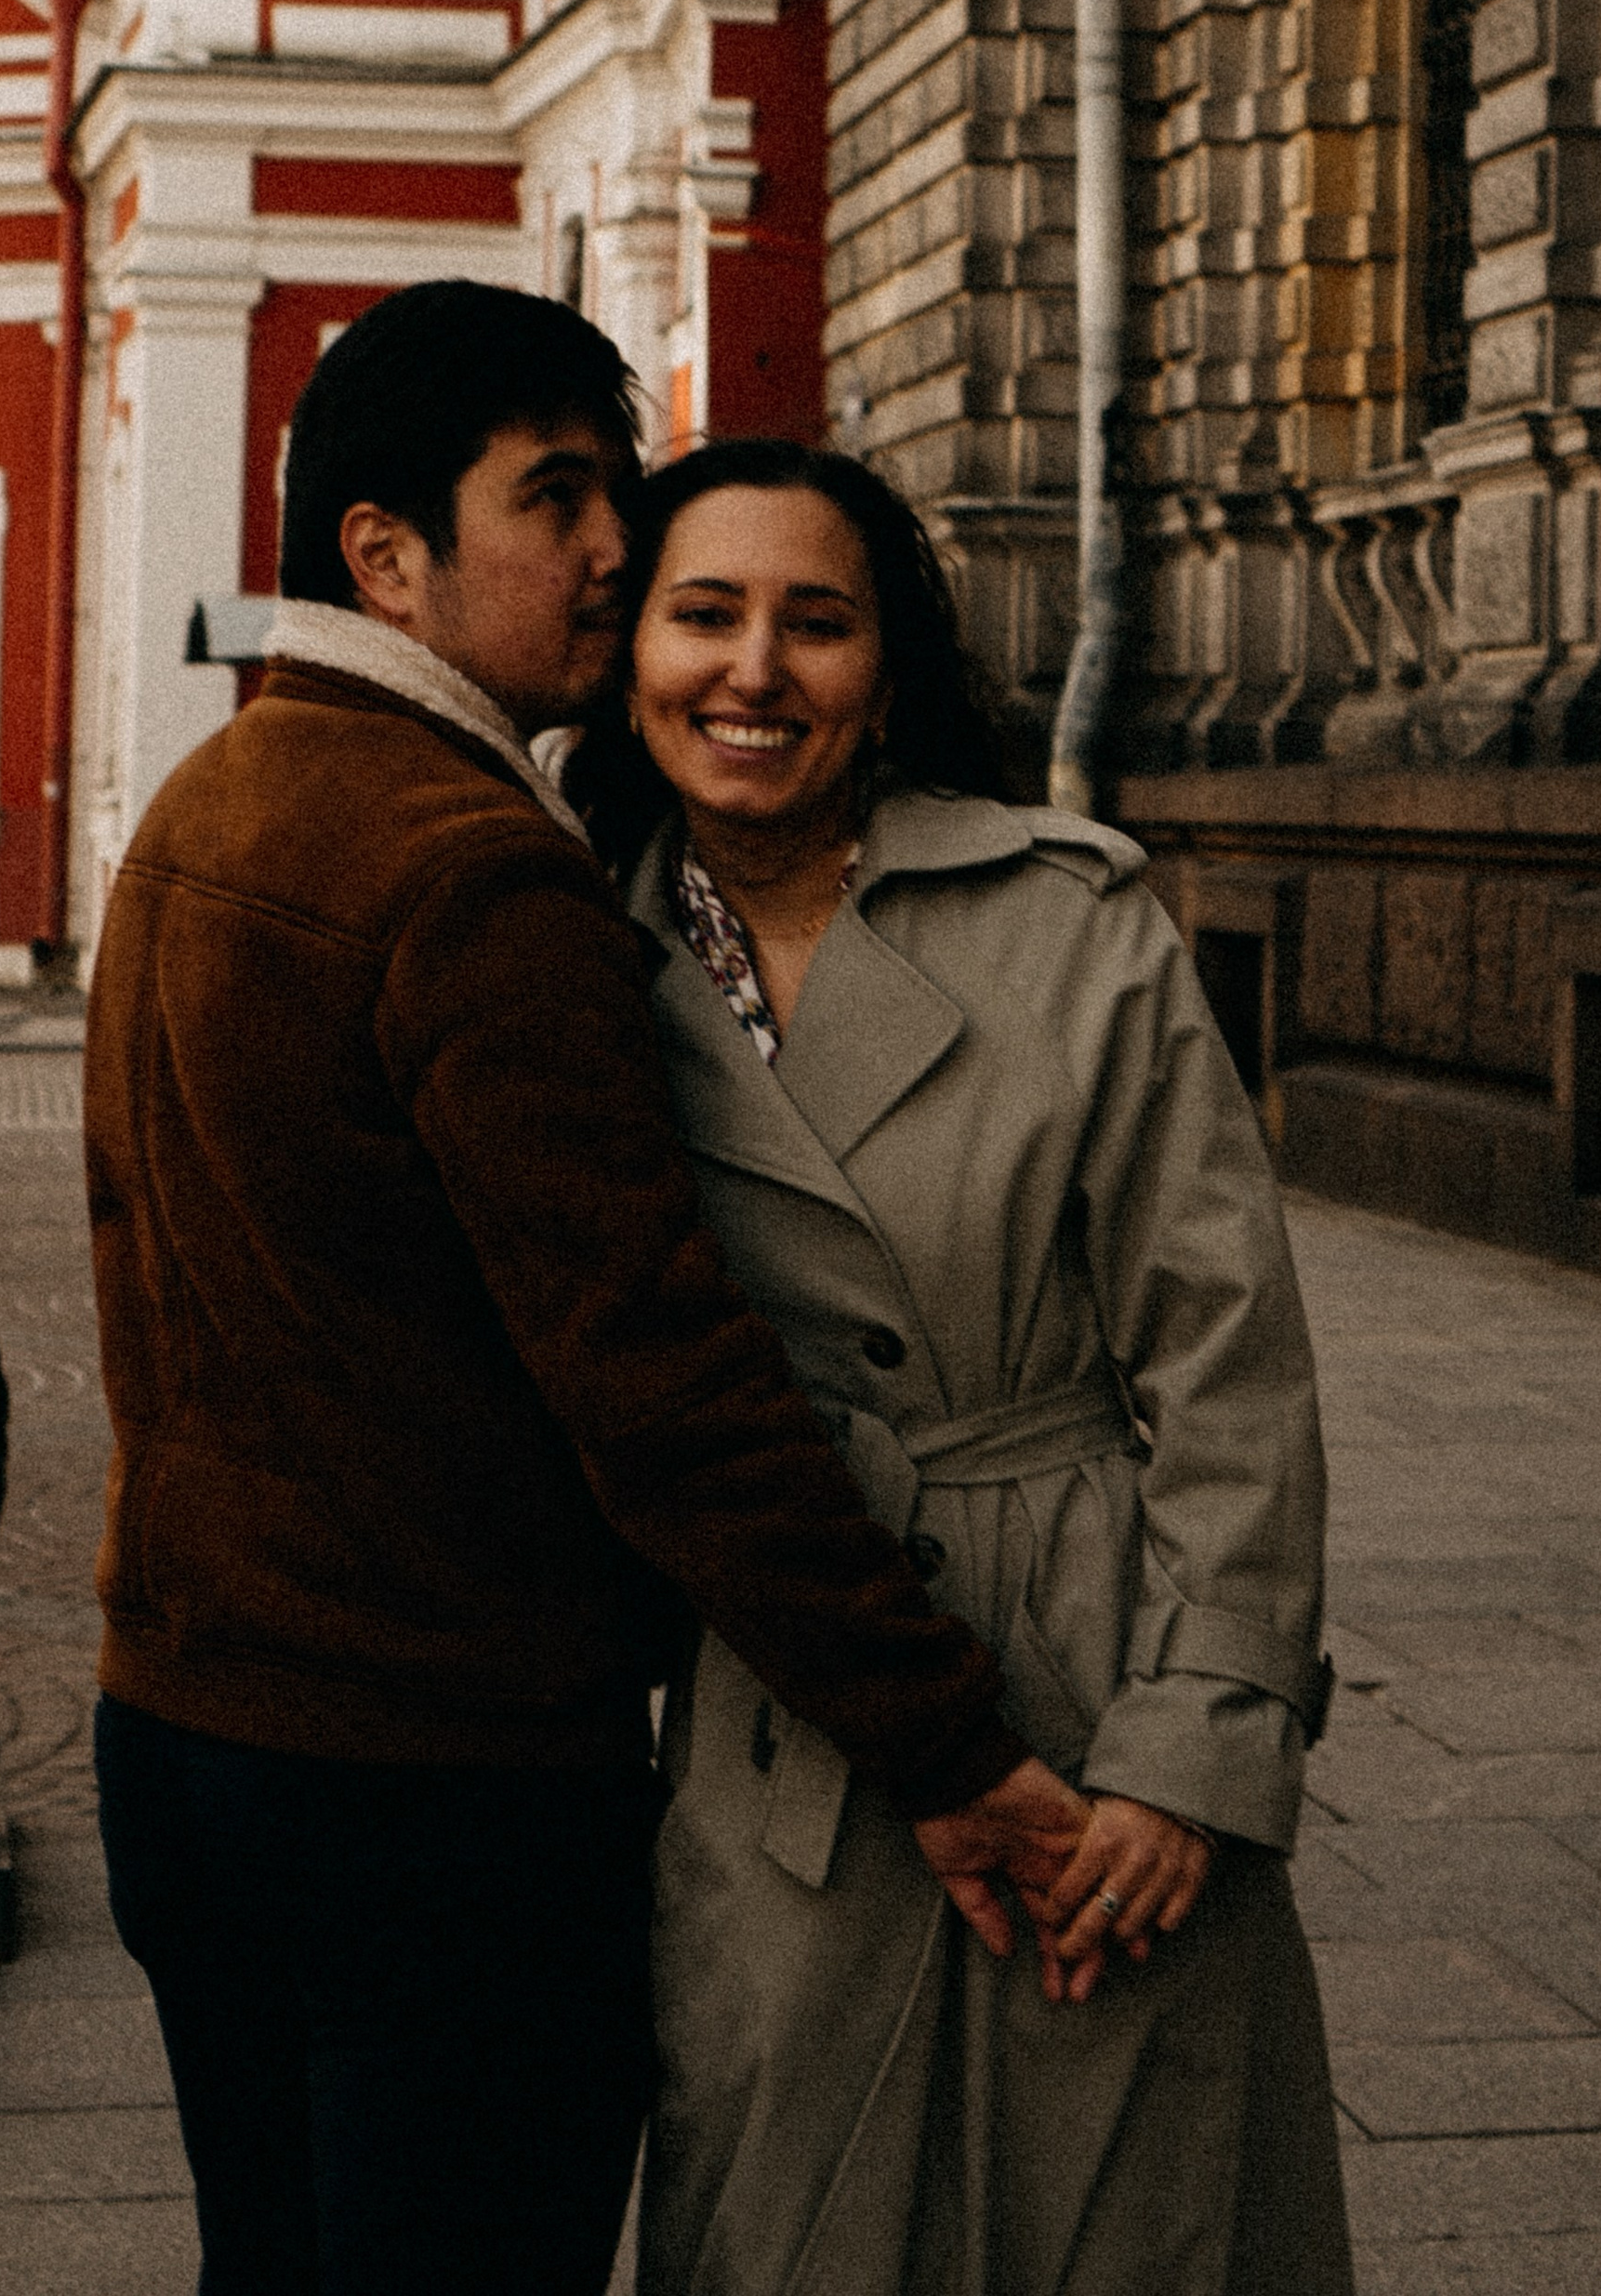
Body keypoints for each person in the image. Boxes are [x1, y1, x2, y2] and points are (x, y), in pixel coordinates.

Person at [81, 287, 1091, 2296]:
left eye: (610, 485)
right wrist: (948, 1744)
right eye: (553, 494)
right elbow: (661, 1384)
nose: (615, 545)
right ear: (385, 551)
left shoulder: (211, 801)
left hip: (186, 1737)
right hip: (429, 1789)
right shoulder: (471, 873)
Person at [569, 437, 1356, 2296]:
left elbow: (1224, 1353)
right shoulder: (563, 962)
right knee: (787, 2221)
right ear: (627, 657)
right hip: (785, 1721)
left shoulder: (1064, 923)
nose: (751, 670)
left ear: (888, 669)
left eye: (813, 623)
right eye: (703, 615)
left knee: (1123, 2218)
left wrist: (1196, 1749)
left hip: (1090, 1701)